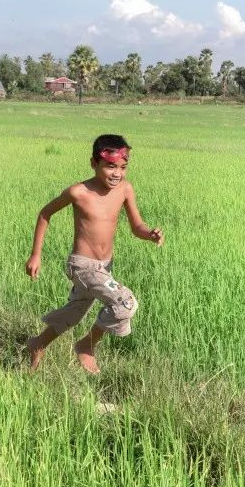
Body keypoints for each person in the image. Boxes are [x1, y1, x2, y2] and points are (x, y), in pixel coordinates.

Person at [24, 134, 163, 373]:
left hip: (104, 266)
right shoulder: (79, 192)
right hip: (82, 266)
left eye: (123, 167)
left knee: (75, 312)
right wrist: (36, 255)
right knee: (126, 302)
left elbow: (136, 226)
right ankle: (87, 345)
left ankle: (38, 344)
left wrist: (149, 234)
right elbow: (45, 213)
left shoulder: (125, 189)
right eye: (110, 166)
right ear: (93, 163)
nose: (117, 173)